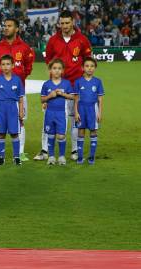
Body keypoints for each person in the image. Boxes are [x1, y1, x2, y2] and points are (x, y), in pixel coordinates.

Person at [40, 10, 92, 162]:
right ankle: (44, 150)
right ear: (59, 23)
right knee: (48, 117)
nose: (64, 26)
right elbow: (49, 61)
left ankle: (74, 150)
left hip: (75, 85)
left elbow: (88, 60)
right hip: (56, 85)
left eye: (67, 22)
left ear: (73, 22)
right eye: (62, 23)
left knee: (75, 117)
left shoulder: (82, 40)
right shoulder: (53, 40)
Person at [0, 17, 34, 161]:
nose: (6, 28)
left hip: (17, 93)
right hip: (1, 93)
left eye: (9, 26)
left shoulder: (25, 47)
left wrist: (17, 79)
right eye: (5, 26)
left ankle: (20, 152)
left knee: (20, 120)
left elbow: (28, 68)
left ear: (16, 29)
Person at [0, 55, 25, 166]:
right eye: (3, 64)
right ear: (0, 66)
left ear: (13, 65)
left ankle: (16, 157)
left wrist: (21, 111)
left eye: (8, 64)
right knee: (1, 133)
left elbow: (20, 98)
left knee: (14, 133)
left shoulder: (17, 79)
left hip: (13, 109)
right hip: (0, 108)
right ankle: (1, 157)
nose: (5, 66)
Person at [40, 59, 75, 166]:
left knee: (61, 136)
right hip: (49, 113)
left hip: (61, 113)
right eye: (54, 68)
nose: (56, 71)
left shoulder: (66, 83)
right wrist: (50, 96)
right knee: (50, 135)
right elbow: (42, 99)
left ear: (62, 71)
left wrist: (63, 94)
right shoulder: (46, 84)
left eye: (59, 68)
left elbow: (72, 96)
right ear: (50, 70)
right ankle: (51, 157)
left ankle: (61, 156)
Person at [73, 57, 104, 165]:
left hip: (93, 109)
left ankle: (91, 157)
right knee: (81, 131)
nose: (89, 68)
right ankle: (80, 158)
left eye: (92, 66)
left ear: (95, 68)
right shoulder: (78, 82)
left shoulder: (98, 81)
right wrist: (76, 112)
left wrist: (100, 112)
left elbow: (100, 99)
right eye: (87, 66)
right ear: (82, 68)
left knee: (93, 131)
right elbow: (76, 99)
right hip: (81, 109)